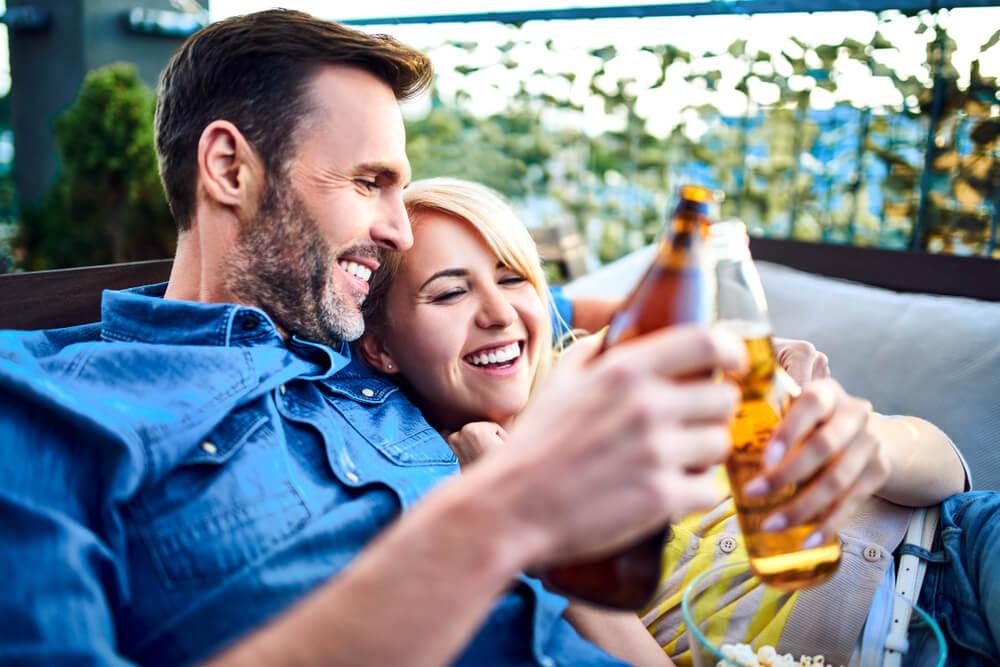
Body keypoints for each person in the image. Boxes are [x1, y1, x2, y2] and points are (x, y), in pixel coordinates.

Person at [0, 10, 751, 667]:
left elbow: (522, 307)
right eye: (369, 183)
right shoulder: (46, 403)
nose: (398, 229)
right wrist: (495, 518)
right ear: (229, 168)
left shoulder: (365, 333)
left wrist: (750, 339)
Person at [358, 178, 996, 666]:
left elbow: (950, 472)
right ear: (379, 347)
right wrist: (528, 530)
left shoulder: (636, 353)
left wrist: (869, 445)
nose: (498, 313)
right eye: (449, 292)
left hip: (963, 545)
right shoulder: (445, 495)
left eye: (512, 278)